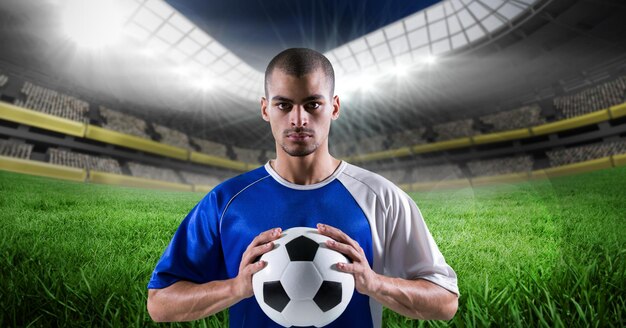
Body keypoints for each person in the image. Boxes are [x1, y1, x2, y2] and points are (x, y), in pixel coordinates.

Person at [147, 48, 459, 327]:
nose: (299, 119)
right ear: (265, 109)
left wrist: (374, 284)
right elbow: (160, 303)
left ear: (334, 107)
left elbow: (445, 301)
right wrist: (236, 288)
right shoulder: (226, 201)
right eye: (284, 105)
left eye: (312, 104)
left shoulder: (381, 197)